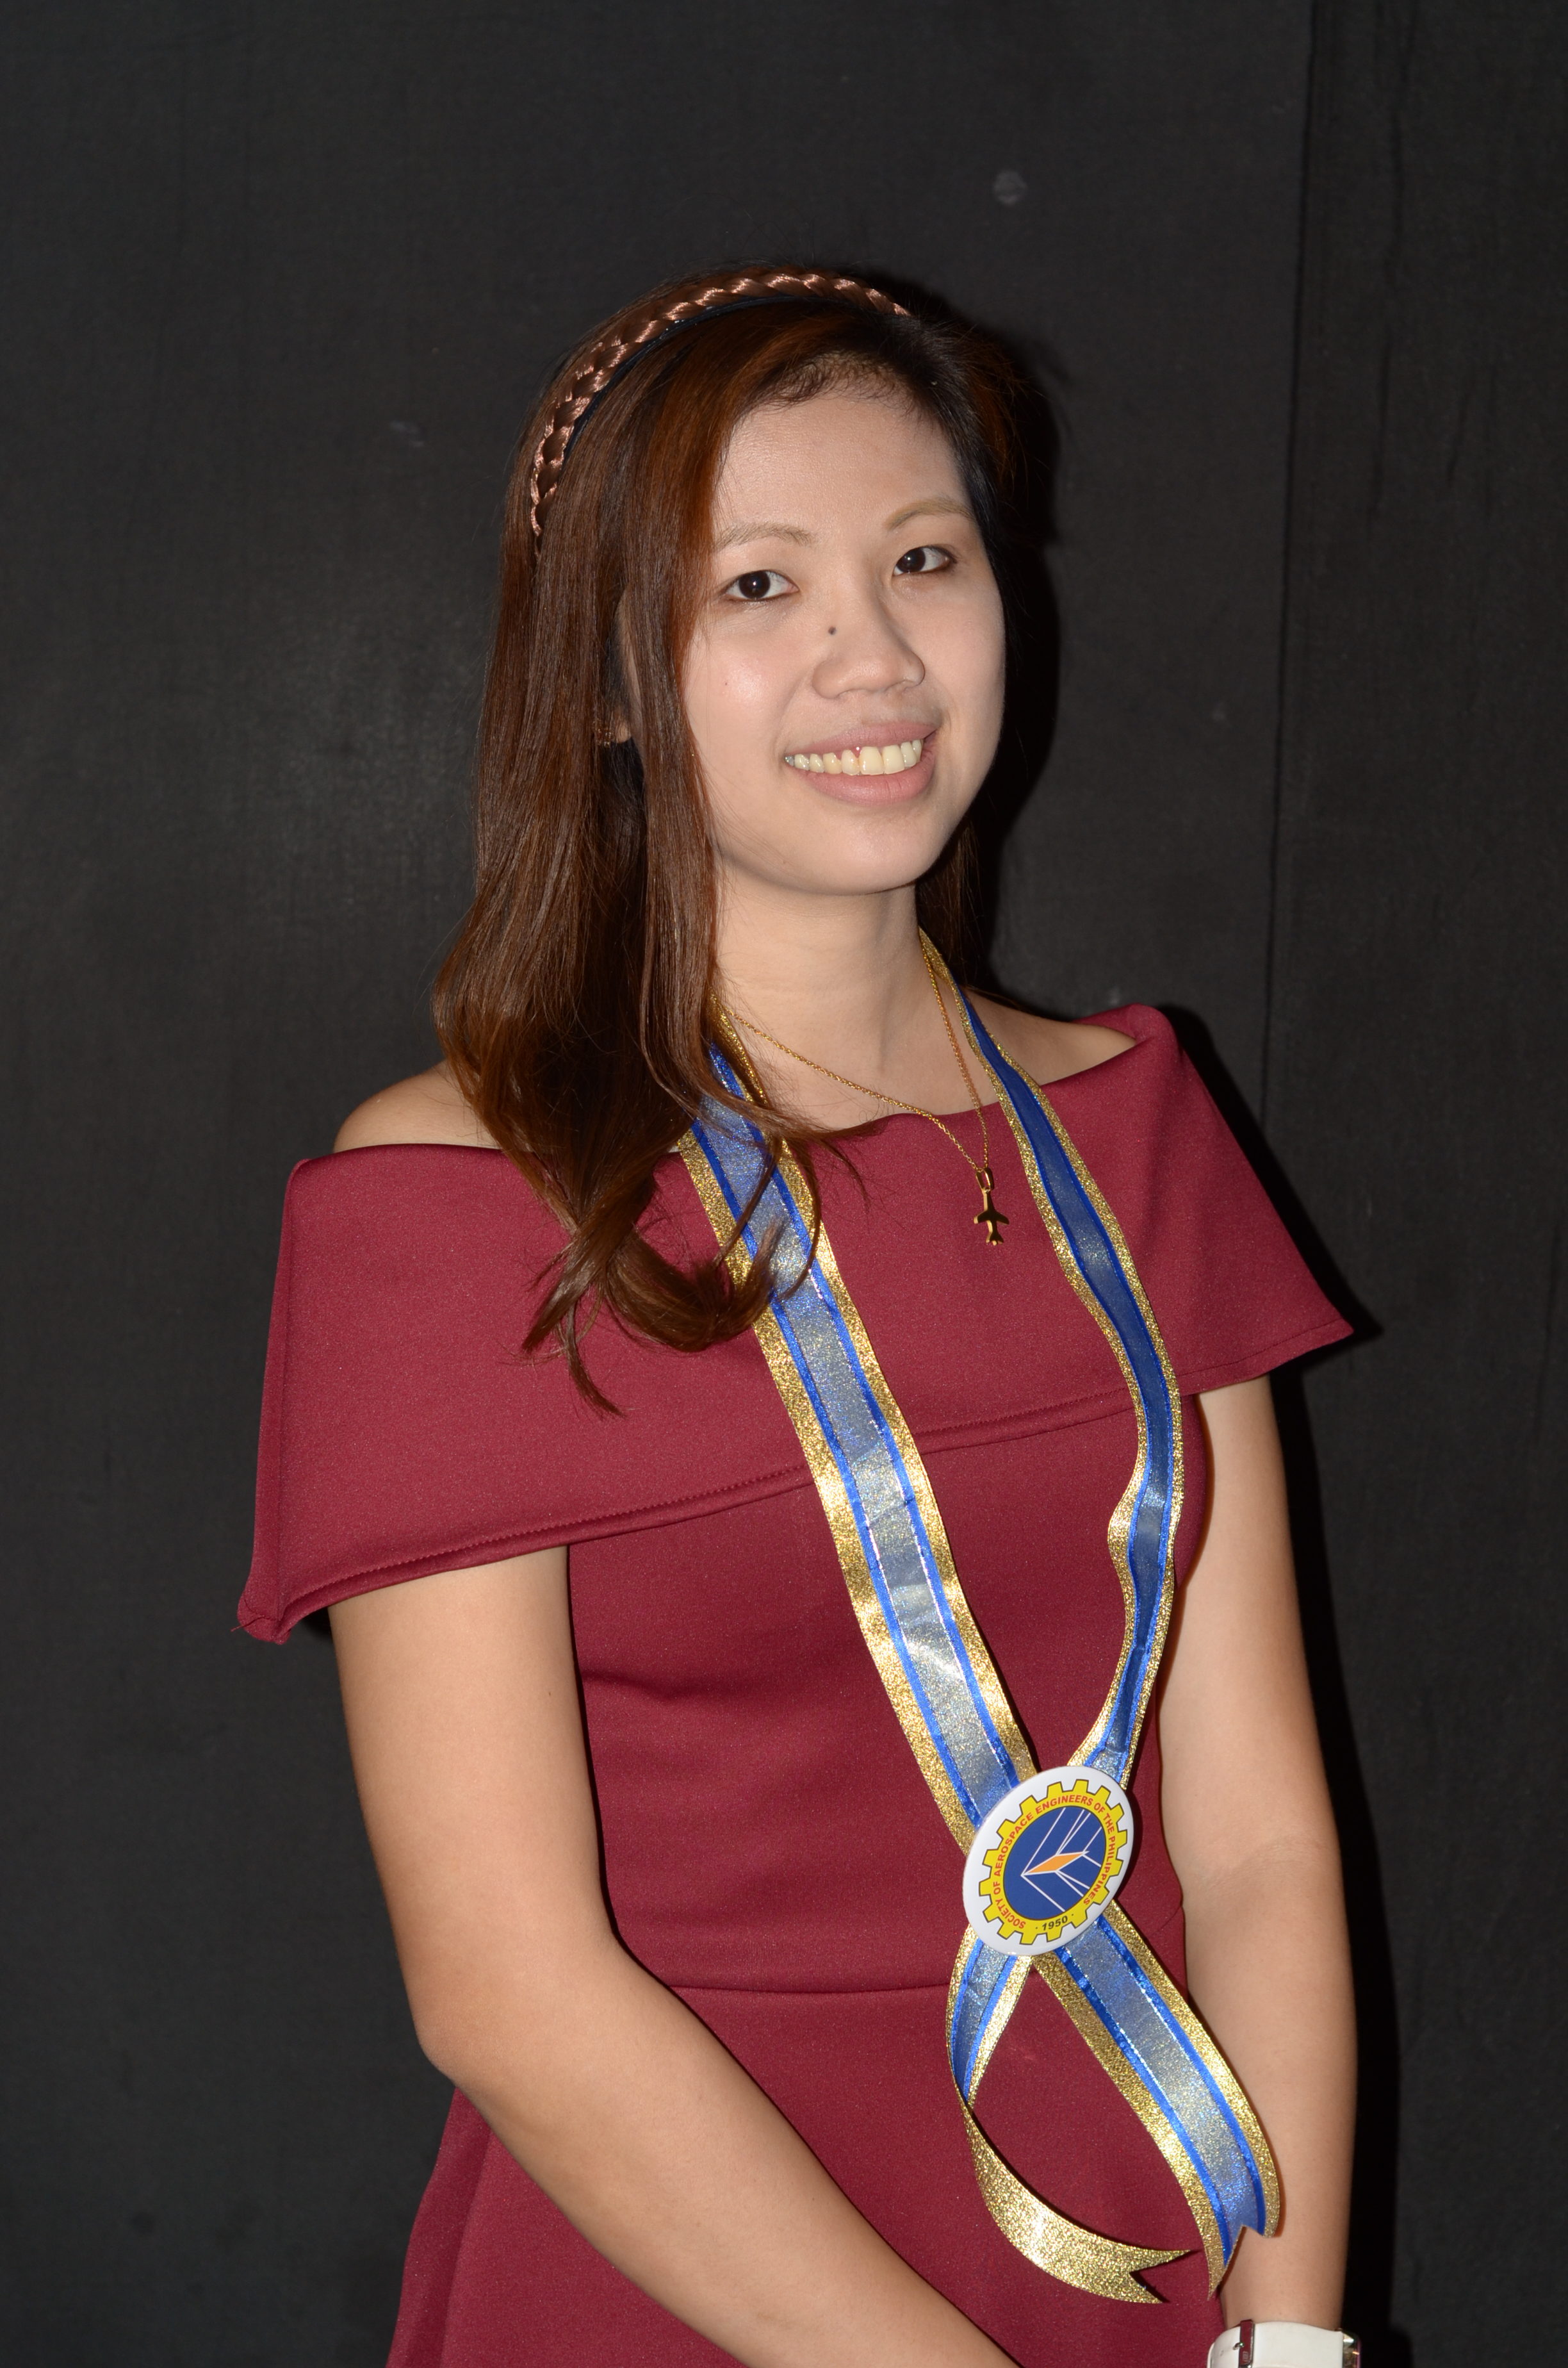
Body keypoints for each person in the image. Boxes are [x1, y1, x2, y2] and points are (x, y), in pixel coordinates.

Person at [240, 268, 1357, 2368]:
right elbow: (504, 1985)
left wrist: (1290, 2336)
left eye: (924, 559)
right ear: (608, 680)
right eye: (759, 586)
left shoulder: (1135, 1124)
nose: (876, 652)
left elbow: (1263, 1839)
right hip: (688, 2270)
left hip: (1159, 2236)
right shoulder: (453, 1198)